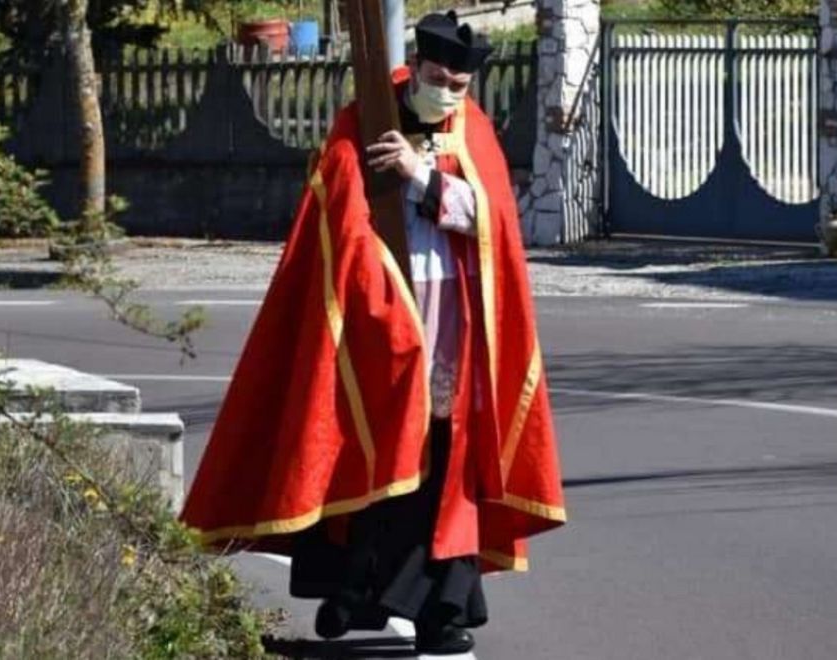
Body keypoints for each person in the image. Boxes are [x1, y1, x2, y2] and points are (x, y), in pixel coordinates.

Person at [179, 10, 566, 656]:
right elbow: (332, 210)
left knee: (443, 461)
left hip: (450, 318)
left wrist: (421, 178)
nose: (447, 90)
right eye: (438, 76)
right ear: (415, 67)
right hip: (372, 315)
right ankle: (353, 589)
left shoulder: (474, 131)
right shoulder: (361, 120)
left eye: (459, 83)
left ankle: (442, 609)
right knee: (377, 447)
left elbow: (495, 220)